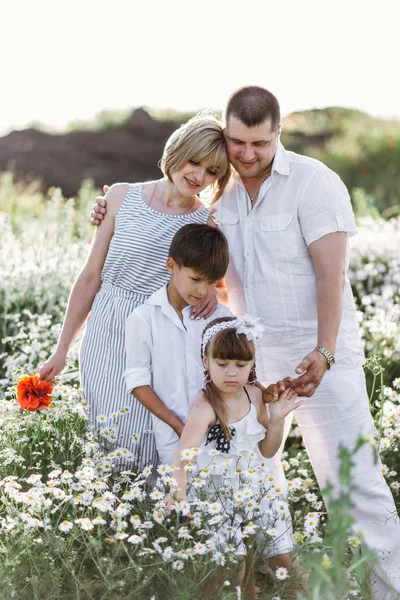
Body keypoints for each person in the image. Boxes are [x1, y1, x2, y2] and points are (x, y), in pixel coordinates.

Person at [91, 86, 400, 598]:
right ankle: (280, 586)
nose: (248, 154)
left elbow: (331, 275)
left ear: (278, 133)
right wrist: (108, 209)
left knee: (352, 483)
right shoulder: (223, 194)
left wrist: (323, 353)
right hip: (249, 366)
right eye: (237, 143)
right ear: (227, 136)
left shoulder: (314, 183)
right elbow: (171, 223)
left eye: (260, 142)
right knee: (259, 486)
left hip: (321, 356)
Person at [39, 114, 231, 468]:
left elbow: (219, 289)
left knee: (150, 438)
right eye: (194, 161)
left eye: (212, 171)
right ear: (177, 151)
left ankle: (152, 516)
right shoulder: (120, 196)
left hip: (160, 334)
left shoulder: (206, 222)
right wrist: (61, 350)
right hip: (106, 330)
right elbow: (90, 278)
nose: (198, 176)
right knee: (105, 431)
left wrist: (210, 295)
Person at [163, 316, 306, 598]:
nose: (231, 373)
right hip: (220, 497)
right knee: (231, 571)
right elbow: (183, 457)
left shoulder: (254, 395)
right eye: (222, 364)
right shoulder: (206, 404)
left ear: (252, 364)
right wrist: (177, 493)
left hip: (257, 488)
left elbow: (266, 450)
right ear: (206, 361)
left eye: (241, 365)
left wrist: (276, 420)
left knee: (284, 561)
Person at [124, 223, 232, 465]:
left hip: (220, 435)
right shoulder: (144, 318)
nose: (203, 291)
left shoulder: (221, 319)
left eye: (212, 283)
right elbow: (137, 381)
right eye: (195, 279)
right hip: (174, 436)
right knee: (179, 497)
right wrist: (177, 425)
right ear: (171, 265)